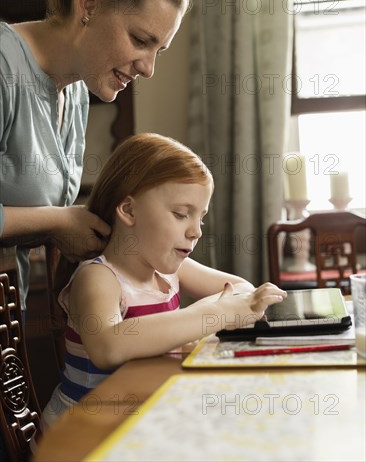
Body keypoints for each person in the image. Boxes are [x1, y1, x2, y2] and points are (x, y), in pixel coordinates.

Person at [0, 0, 191, 310]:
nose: (148, 68)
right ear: (89, 4)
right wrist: (56, 222)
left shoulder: (75, 93)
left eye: (159, 50)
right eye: (140, 40)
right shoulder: (4, 65)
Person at [39, 132, 287, 433]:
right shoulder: (98, 278)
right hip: (83, 433)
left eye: (201, 218)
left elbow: (244, 290)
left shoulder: (170, 271)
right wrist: (216, 314)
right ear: (129, 210)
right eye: (181, 214)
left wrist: (221, 310)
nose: (196, 231)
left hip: (143, 421)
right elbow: (108, 346)